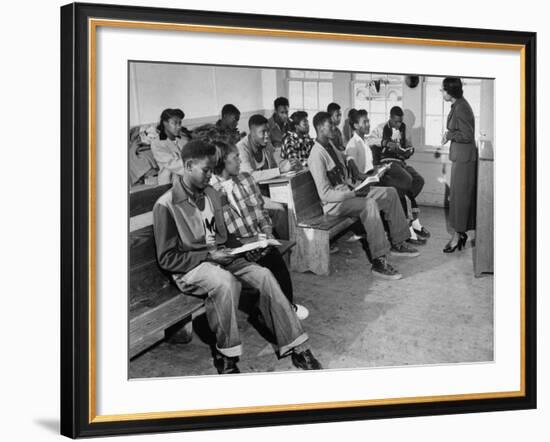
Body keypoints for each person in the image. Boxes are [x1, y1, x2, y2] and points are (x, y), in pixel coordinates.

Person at [152, 140, 322, 374]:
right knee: (226, 282)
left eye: (212, 169)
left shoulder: (210, 193)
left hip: (220, 257)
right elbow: (167, 258)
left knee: (264, 275)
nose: (210, 175)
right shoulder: (166, 204)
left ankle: (298, 346)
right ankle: (226, 355)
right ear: (189, 166)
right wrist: (209, 255)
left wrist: (243, 246)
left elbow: (222, 234)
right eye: (206, 170)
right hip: (190, 268)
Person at [207, 132, 309, 320]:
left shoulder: (246, 179)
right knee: (265, 267)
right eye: (235, 157)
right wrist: (244, 248)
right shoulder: (211, 192)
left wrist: (267, 233)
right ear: (221, 162)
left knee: (274, 259)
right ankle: (275, 312)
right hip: (234, 249)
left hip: (256, 241)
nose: (240, 161)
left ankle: (286, 306)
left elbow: (261, 212)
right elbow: (217, 233)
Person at [307, 112, 420, 280]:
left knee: (390, 192)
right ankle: (379, 261)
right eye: (330, 125)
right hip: (335, 204)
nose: (334, 127)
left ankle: (398, 242)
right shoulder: (316, 155)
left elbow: (345, 155)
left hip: (348, 192)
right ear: (319, 128)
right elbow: (325, 194)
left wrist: (356, 165)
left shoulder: (329, 145)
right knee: (369, 205)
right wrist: (353, 193)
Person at [367, 106, 430, 243]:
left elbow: (409, 146)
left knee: (419, 180)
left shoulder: (404, 129)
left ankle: (405, 213)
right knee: (406, 180)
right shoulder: (380, 128)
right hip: (386, 163)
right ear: (390, 118)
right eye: (395, 121)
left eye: (400, 122)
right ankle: (409, 223)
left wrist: (408, 150)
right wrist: (384, 142)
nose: (398, 124)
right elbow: (369, 141)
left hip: (401, 162)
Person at [440, 77, 477, 253]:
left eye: (443, 90)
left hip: (464, 160)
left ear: (450, 91)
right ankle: (459, 234)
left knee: (460, 200)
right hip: (461, 158)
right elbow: (459, 131)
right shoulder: (458, 105)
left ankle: (457, 237)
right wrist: (450, 134)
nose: (442, 93)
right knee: (457, 199)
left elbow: (467, 136)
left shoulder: (461, 108)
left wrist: (450, 136)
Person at [150, 108, 190, 185]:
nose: (179, 126)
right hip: (169, 184)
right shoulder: (157, 143)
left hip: (187, 180)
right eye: (175, 123)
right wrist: (196, 168)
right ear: (165, 123)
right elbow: (173, 164)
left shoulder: (183, 139)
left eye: (180, 123)